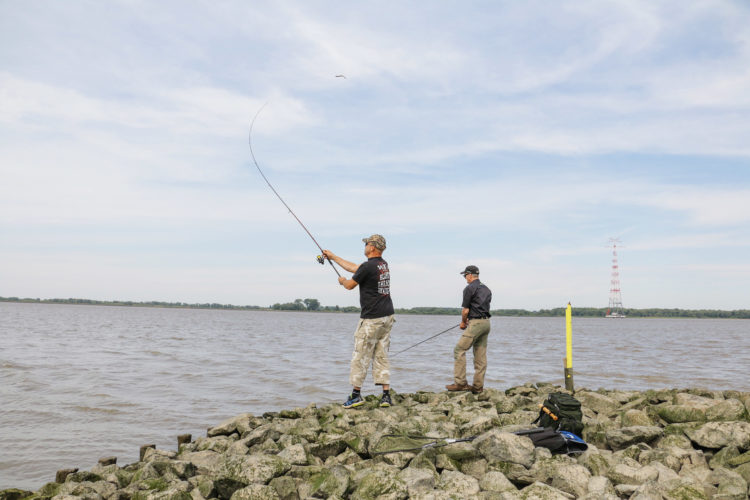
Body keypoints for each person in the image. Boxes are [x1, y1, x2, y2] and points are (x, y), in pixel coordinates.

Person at [322, 234, 395, 409]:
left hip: (371, 319)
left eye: (367, 243)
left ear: (373, 247)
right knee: (381, 354)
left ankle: (356, 395)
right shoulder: (382, 265)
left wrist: (342, 281)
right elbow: (356, 268)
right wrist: (333, 257)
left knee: (360, 356)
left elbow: (349, 285)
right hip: (387, 316)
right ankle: (386, 396)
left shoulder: (369, 266)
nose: (365, 246)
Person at [446, 265, 492, 394]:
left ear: (470, 275)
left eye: (465, 275)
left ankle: (460, 383)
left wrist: (463, 322)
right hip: (486, 323)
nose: (465, 278)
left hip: (476, 324)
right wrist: (469, 318)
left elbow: (465, 310)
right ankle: (478, 387)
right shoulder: (487, 289)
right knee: (480, 355)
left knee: (459, 349)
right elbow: (480, 306)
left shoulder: (469, 288)